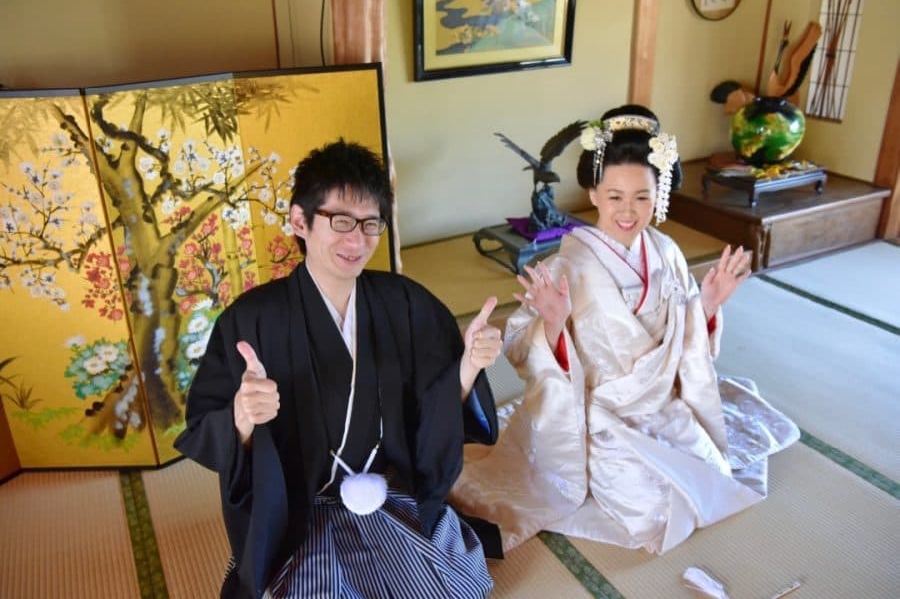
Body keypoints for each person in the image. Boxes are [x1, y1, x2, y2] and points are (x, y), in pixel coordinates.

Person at [450, 105, 799, 555]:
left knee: (712, 476)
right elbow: (521, 346)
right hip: (597, 416)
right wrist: (554, 325)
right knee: (652, 511)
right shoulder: (565, 266)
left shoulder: (667, 252)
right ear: (593, 193)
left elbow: (686, 340)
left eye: (642, 196)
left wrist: (709, 304)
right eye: (614, 196)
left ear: (661, 193)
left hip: (661, 404)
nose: (628, 211)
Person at [175, 139, 503, 598]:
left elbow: (438, 404)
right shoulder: (251, 319)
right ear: (300, 221)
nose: (357, 240)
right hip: (298, 511)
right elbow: (206, 428)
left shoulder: (406, 304)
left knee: (447, 588)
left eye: (371, 224)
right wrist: (242, 417)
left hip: (387, 496)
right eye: (341, 221)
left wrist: (468, 367)